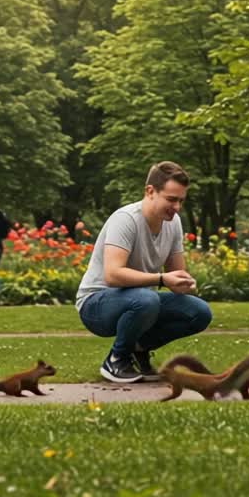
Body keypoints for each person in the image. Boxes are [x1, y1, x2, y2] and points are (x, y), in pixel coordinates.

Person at [76, 162, 212, 384]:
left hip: (140, 300)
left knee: (199, 311)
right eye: (171, 199)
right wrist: (160, 279)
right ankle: (116, 359)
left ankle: (138, 349)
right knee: (146, 298)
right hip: (97, 303)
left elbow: (175, 272)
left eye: (180, 200)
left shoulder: (173, 222)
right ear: (150, 192)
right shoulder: (126, 219)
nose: (177, 206)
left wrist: (183, 282)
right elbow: (112, 275)